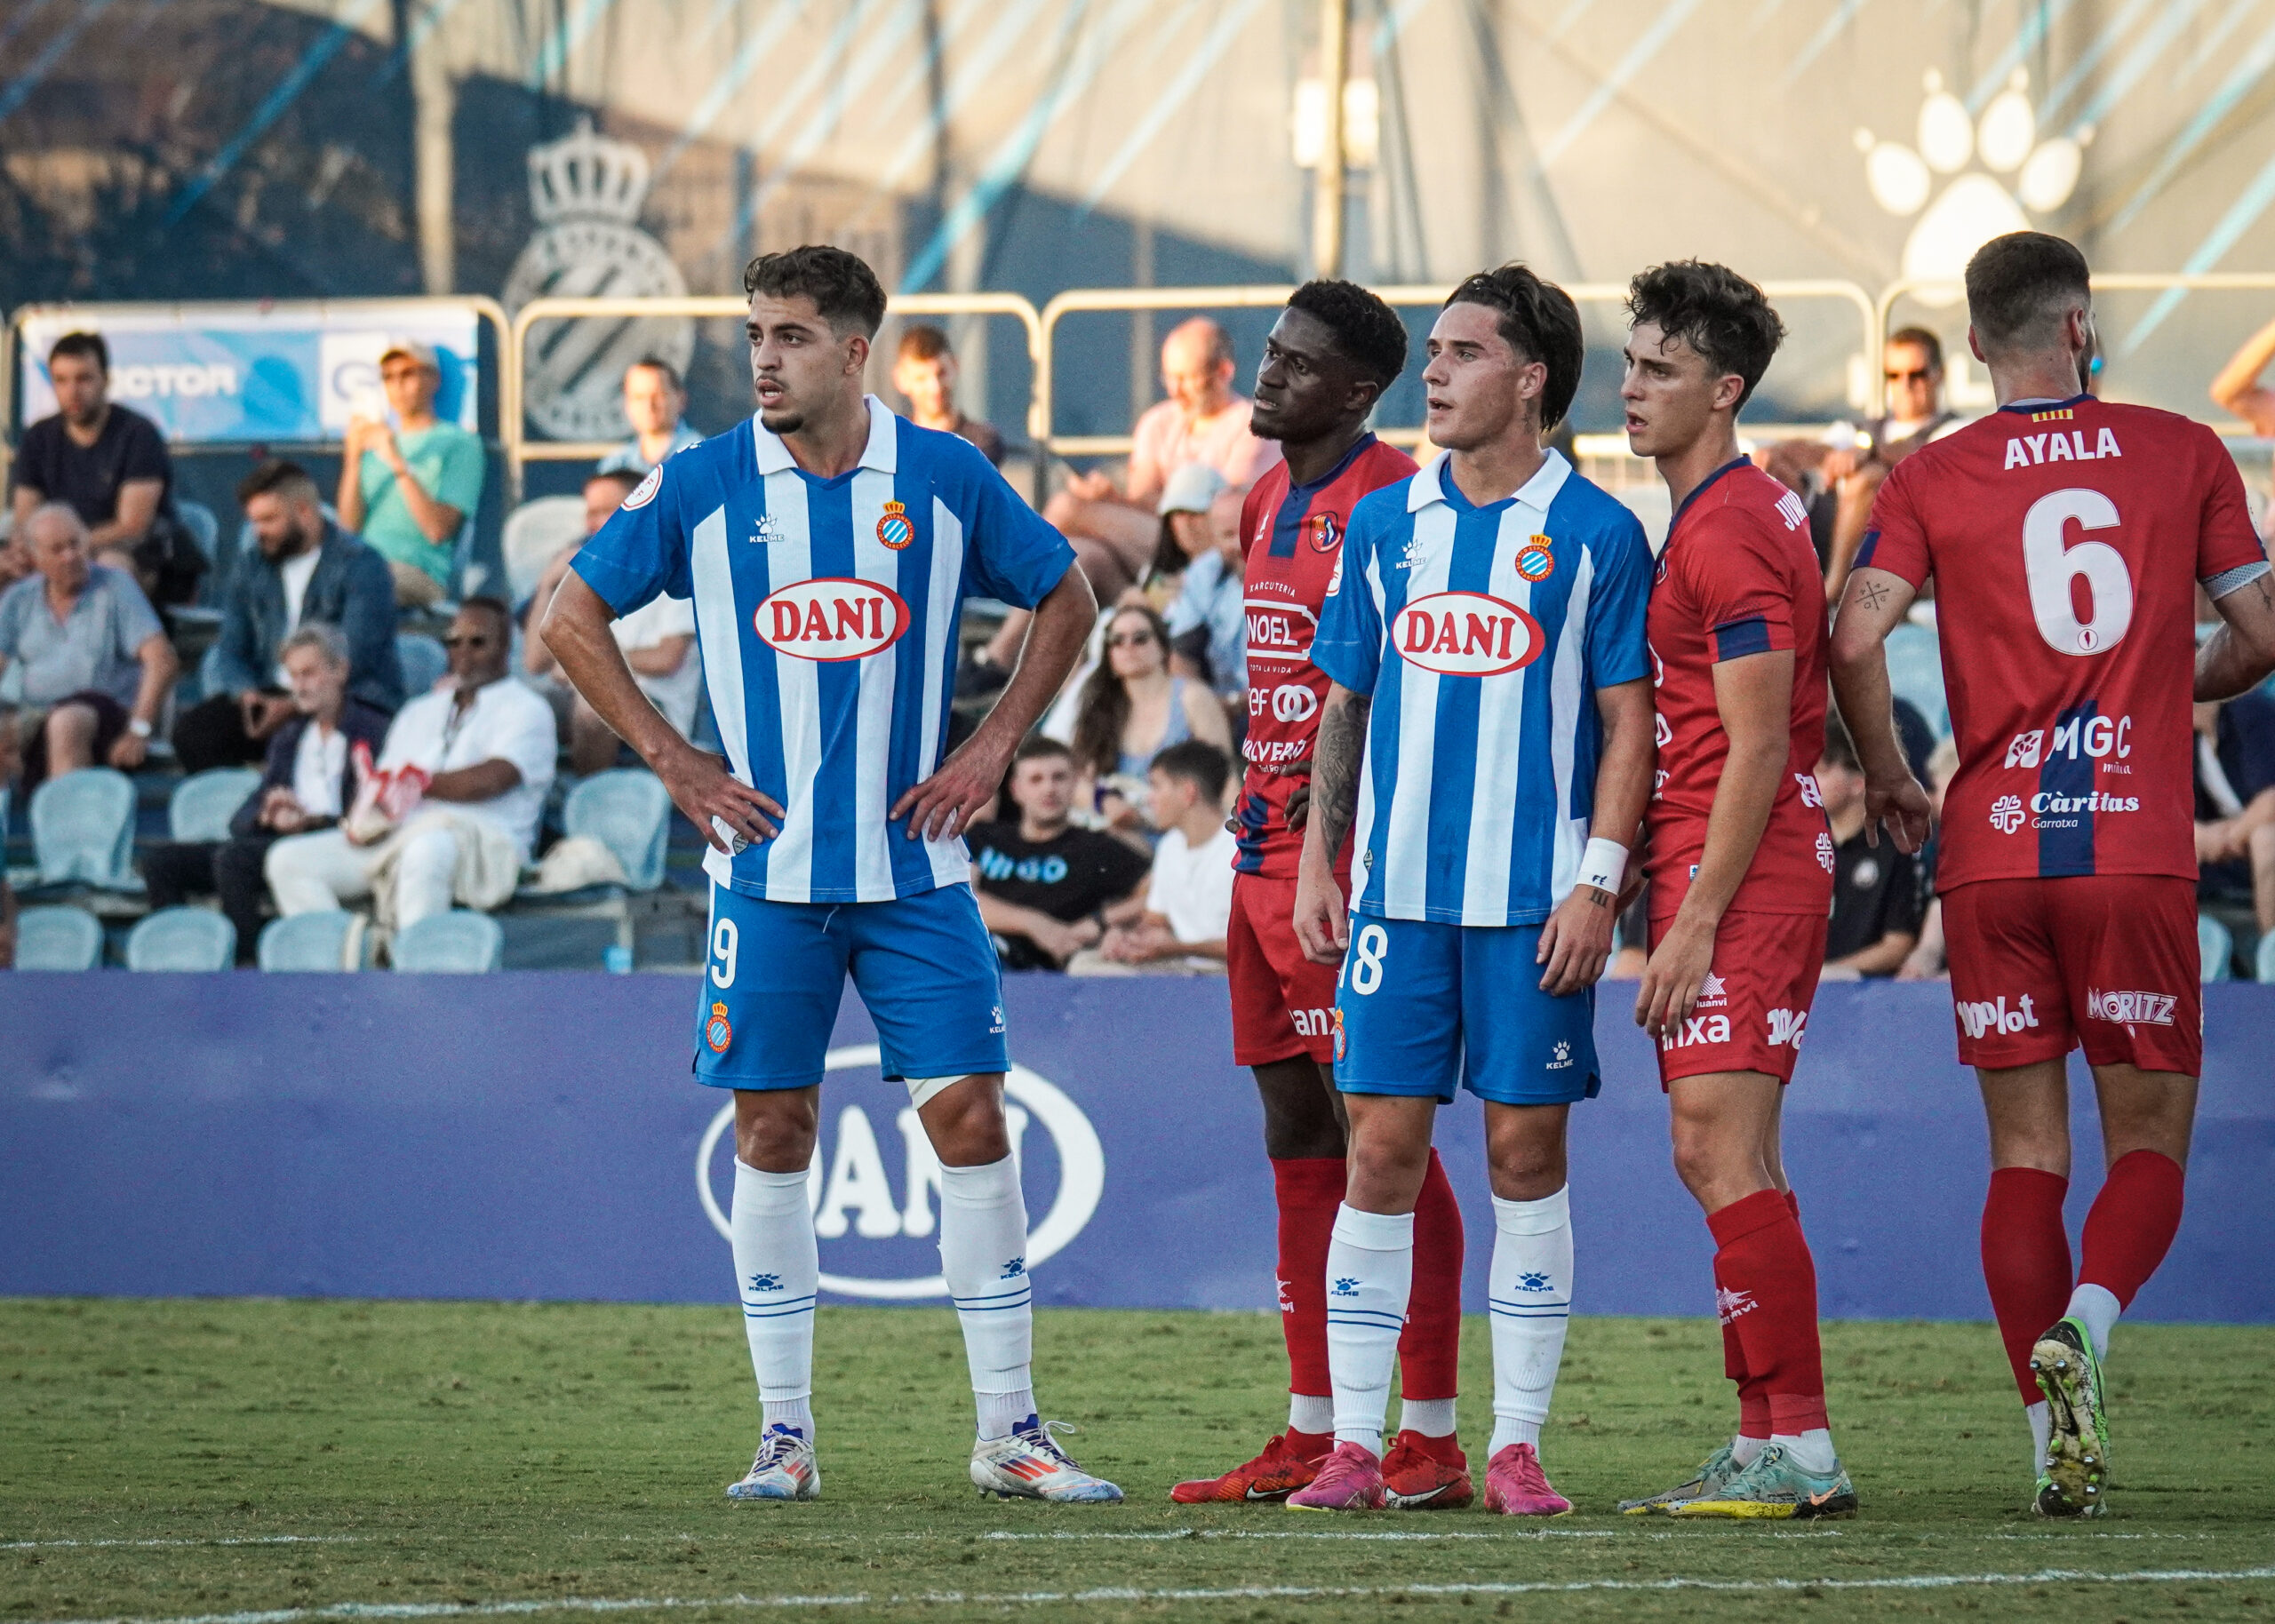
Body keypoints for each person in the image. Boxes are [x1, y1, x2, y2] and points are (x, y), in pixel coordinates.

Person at [538, 243, 1119, 1505]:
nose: (764, 358)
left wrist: (990, 747)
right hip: (763, 878)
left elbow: (1069, 596)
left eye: (791, 336)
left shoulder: (945, 474)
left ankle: (1010, 1432)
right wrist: (678, 762)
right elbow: (566, 618)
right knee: (772, 1129)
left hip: (917, 871)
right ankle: (784, 1437)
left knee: (973, 1122)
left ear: (856, 352)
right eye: (755, 333)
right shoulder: (701, 480)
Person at [1827, 230, 2275, 1518]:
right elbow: (2259, 635)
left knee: (2025, 1156)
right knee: (2150, 1147)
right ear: (2081, 326)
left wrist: (1890, 775)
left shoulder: (1930, 472)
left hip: (1992, 852)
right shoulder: (2181, 449)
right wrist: (2164, 685)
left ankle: (2048, 1450)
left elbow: (1852, 635)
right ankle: (2087, 1321)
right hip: (2130, 842)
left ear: (1973, 342)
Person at [1286, 264, 1656, 1517]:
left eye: (1462, 352)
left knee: (1522, 1152)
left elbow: (1629, 723)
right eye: (1433, 351)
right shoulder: (1388, 522)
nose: (1432, 372)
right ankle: (1354, 1445)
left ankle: (1514, 1449)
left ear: (1531, 378)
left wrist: (1598, 884)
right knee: (1379, 1150)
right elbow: (1346, 698)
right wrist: (1320, 855)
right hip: (1396, 900)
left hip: (1532, 902)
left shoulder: (1598, 533)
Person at [1165, 278, 1461, 1509]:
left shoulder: (1401, 503)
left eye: (1295, 362)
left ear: (1358, 390)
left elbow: (1400, 696)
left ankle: (1429, 1434)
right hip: (1259, 852)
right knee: (1295, 1127)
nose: (1267, 375)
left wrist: (1344, 851)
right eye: (1269, 353)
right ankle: (1310, 1425)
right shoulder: (1261, 497)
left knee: (1380, 1135)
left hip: (1345, 868)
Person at [1619, 261, 1856, 1519]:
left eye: (1660, 368)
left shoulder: (1726, 529)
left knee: (1716, 1144)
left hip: (1741, 874)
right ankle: (1770, 1435)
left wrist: (1696, 918)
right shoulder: (1737, 507)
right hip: (1732, 865)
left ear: (1726, 389)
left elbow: (1760, 743)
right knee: (1728, 1151)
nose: (1631, 387)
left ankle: (1802, 1449)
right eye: (1630, 362)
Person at [967, 319, 1282, 688]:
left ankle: (998, 652)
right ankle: (1059, 693)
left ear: (1223, 372)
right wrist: (1111, 499)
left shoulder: (1251, 428)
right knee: (1079, 558)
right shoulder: (1158, 422)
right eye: (1169, 377)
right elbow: (1143, 500)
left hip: (1209, 558)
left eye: (1187, 378)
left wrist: (1109, 506)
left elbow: (1225, 518)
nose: (1175, 389)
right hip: (1154, 562)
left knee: (1067, 509)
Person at [263, 598, 555, 931]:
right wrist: (367, 816)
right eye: (454, 641)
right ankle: (352, 953)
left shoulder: (528, 708)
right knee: (288, 861)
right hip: (400, 833)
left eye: (477, 642)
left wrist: (417, 782)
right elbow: (384, 783)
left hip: (483, 840)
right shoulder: (419, 711)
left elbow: (492, 779)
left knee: (425, 850)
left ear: (504, 647)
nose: (463, 651)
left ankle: (414, 961)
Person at [144, 625, 390, 962]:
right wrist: (268, 814)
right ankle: (178, 963)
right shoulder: (290, 735)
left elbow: (372, 816)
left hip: (331, 843)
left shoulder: (373, 730)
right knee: (161, 863)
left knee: (234, 860)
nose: (299, 686)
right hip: (275, 839)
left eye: (309, 673)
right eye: (293, 676)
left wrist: (309, 821)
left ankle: (247, 970)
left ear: (341, 671)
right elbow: (240, 820)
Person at [172, 461, 403, 774]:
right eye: (254, 521)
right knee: (196, 733)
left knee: (325, 734)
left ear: (304, 512)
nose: (258, 531)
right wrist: (248, 695)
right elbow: (231, 648)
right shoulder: (252, 565)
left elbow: (357, 655)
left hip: (346, 697)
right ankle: (251, 800)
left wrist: (294, 705)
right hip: (274, 692)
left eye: (269, 519)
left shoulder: (362, 564)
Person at [523, 469, 700, 776]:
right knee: (519, 707)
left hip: (657, 705)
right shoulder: (589, 571)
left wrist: (585, 661)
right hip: (579, 691)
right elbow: (535, 663)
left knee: (593, 708)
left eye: (606, 511)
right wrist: (548, 586)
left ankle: (588, 796)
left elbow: (667, 658)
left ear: (639, 511)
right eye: (590, 513)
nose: (593, 524)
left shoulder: (675, 566)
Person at [1764, 329, 1960, 603]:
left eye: (1916, 374)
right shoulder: (1863, 428)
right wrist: (1781, 456)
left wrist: (1867, 453)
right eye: (1894, 375)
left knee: (1870, 478)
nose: (1905, 385)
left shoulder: (1957, 429)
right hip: (1837, 540)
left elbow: (1920, 453)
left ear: (1940, 375)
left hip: (1913, 563)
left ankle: (1833, 588)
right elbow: (1814, 449)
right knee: (1769, 466)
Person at [8, 331, 201, 609]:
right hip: (59, 552)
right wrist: (28, 553)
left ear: (106, 380)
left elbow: (133, 526)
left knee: (109, 570)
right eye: (61, 380)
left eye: (83, 379)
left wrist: (63, 549)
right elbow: (25, 518)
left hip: (135, 556)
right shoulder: (38, 437)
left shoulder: (138, 434)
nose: (72, 391)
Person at [0, 504, 179, 790]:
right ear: (36, 559)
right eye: (57, 550)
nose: (70, 556)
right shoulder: (20, 599)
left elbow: (162, 660)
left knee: (67, 721)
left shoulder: (115, 586)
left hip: (103, 714)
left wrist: (139, 729)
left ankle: (68, 816)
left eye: (75, 544)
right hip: (35, 714)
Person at [968, 736, 1151, 970]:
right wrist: (1034, 924)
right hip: (976, 952)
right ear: (1015, 789)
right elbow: (957, 897)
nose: (1049, 789)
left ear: (1075, 784)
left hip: (1043, 971)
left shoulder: (1097, 847)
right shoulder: (984, 836)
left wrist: (1100, 922)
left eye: (1059, 777)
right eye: (1036, 780)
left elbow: (1158, 895)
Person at [335, 338, 486, 608]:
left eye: (407, 373)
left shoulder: (460, 444)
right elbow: (348, 529)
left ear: (434, 379)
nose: (398, 385)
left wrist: (397, 462)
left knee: (362, 584)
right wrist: (353, 460)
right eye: (388, 377)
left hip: (418, 574)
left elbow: (437, 530)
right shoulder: (374, 445)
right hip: (361, 567)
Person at [1069, 740, 1237, 974]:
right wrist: (1125, 937)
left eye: (1156, 787)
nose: (1149, 798)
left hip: (1231, 974)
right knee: (1084, 964)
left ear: (1188, 792)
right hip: (1181, 968)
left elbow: (1257, 946)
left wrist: (1178, 948)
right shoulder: (1170, 846)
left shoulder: (1242, 848)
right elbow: (1155, 920)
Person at [1067, 603, 1233, 832]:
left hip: (1183, 834)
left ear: (1163, 647)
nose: (1128, 646)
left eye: (1140, 638)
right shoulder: (1100, 707)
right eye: (1117, 640)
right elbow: (1074, 780)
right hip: (1121, 833)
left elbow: (1225, 777)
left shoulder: (1193, 698)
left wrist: (1232, 836)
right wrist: (1104, 800)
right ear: (1109, 654)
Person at [1814, 712, 1922, 980]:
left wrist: (1832, 974)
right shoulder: (1807, 847)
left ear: (1857, 784)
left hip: (1869, 994)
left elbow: (1898, 943)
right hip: (1805, 993)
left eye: (1821, 771)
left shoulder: (1894, 849)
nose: (1811, 781)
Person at [2194, 691, 2275, 941]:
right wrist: (2202, 837)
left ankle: (2269, 953)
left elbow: (2271, 800)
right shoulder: (2190, 741)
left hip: (2255, 836)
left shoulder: (2248, 710)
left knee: (2266, 839)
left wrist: (2227, 840)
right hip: (2233, 854)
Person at [1161, 474, 1247, 700]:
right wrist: (1205, 707)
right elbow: (1183, 658)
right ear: (1215, 537)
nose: (1240, 544)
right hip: (1222, 706)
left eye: (1249, 530)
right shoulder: (1203, 573)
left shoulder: (1293, 569)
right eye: (1228, 535)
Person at [1896, 736, 1962, 981]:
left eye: (1937, 789)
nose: (1932, 800)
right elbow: (1933, 938)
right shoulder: (1948, 847)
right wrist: (1921, 960)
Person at [892, 326, 1005, 466]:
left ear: (955, 366)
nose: (935, 387)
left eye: (942, 373)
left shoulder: (982, 441)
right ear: (901, 380)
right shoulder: (893, 440)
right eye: (921, 378)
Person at [597, 357, 704, 477]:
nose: (649, 406)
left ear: (681, 399)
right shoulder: (615, 465)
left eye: (658, 396)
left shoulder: (700, 457)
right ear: (626, 403)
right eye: (639, 397)